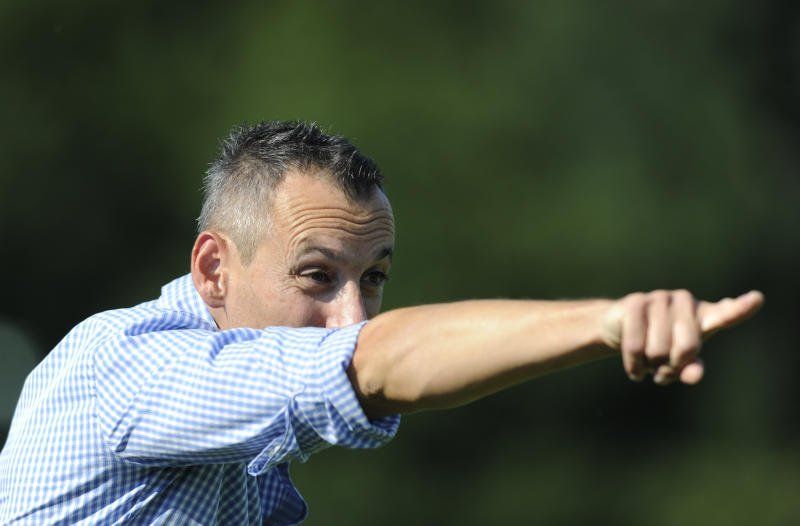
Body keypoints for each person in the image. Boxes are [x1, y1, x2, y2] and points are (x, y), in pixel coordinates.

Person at [0, 121, 764, 525]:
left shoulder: (219, 418)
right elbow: (373, 359)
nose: (350, 315)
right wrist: (608, 322)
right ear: (212, 271)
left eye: (373, 280)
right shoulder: (126, 367)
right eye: (316, 275)